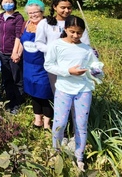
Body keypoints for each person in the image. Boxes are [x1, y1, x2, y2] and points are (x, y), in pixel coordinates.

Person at [44, 16, 103, 172]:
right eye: (72, 32)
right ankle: (56, 151)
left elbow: (95, 65)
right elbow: (49, 65)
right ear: (65, 30)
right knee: (60, 122)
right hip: (64, 88)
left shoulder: (87, 49)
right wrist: (68, 71)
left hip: (83, 90)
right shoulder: (56, 46)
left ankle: (79, 156)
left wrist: (96, 70)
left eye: (79, 33)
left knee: (81, 124)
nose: (76, 36)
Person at [35, 0, 90, 92]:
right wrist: (54, 51)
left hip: (75, 65)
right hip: (55, 67)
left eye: (69, 8)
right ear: (55, 7)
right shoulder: (45, 23)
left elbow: (86, 44)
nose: (66, 10)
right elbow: (39, 43)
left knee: (77, 93)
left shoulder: (76, 23)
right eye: (63, 7)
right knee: (60, 94)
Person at [14, 0, 53, 129]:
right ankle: (38, 120)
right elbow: (22, 41)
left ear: (42, 11)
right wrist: (18, 53)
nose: (33, 15)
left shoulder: (47, 24)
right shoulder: (26, 24)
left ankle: (47, 123)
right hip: (28, 65)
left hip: (43, 66)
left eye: (35, 12)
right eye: (30, 13)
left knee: (44, 93)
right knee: (33, 92)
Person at [0, 0, 25, 114]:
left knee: (16, 77)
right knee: (6, 78)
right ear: (1, 3)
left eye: (10, 1)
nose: (7, 3)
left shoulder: (18, 17)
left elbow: (18, 35)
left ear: (14, 2)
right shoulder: (0, 17)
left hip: (13, 53)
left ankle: (18, 102)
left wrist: (15, 51)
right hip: (2, 52)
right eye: (5, 1)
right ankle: (10, 101)